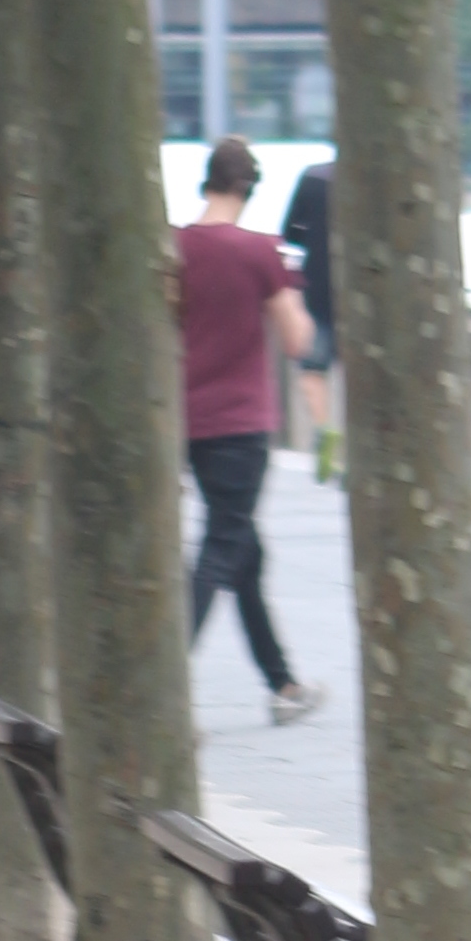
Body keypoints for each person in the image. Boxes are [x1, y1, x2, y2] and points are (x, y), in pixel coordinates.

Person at [176, 134, 325, 725]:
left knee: (244, 554)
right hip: (241, 422)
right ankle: (165, 673)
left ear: (205, 182)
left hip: (189, 419)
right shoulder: (260, 252)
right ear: (250, 189)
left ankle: (283, 684)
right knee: (220, 547)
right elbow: (297, 341)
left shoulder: (175, 245)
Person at [279, 152, 340, 480]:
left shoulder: (313, 178)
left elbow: (290, 233)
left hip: (318, 290)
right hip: (359, 290)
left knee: (313, 371)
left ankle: (324, 429)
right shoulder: (370, 183)